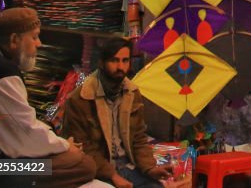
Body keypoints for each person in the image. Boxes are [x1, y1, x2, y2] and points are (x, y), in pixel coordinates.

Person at [0, 7, 100, 188]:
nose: (39, 44)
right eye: (34, 37)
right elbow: (26, 133)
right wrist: (65, 145)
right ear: (14, 40)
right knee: (85, 164)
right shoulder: (3, 72)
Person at [63, 39, 171, 188]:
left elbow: (138, 137)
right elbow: (84, 149)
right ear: (101, 63)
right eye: (114, 60)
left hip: (129, 166)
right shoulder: (80, 99)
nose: (121, 67)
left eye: (125, 60)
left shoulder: (132, 93)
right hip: (99, 170)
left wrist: (150, 168)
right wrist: (112, 175)